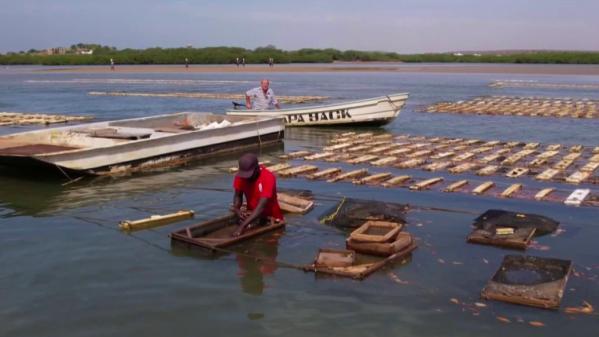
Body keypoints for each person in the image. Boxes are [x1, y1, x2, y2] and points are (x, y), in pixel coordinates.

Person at [231, 153, 283, 237]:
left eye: (248, 175)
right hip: (251, 215)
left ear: (256, 168)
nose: (246, 178)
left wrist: (242, 227)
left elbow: (261, 206)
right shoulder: (241, 176)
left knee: (271, 243)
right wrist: (237, 209)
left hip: (271, 217)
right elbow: (238, 195)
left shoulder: (268, 177)